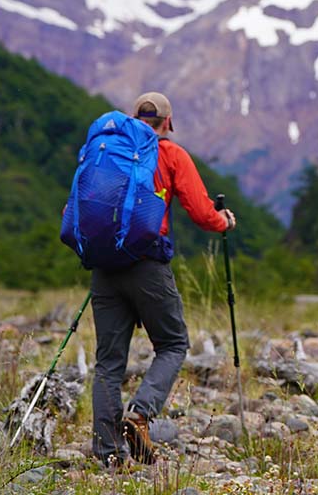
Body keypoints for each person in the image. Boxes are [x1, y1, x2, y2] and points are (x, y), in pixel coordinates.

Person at [90, 91, 235, 466]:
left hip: (105, 265)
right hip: (147, 264)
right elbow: (202, 212)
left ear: (131, 118)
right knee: (172, 344)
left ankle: (108, 455)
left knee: (108, 363)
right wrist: (225, 221)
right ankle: (139, 414)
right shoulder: (170, 153)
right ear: (167, 123)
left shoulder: (107, 152)